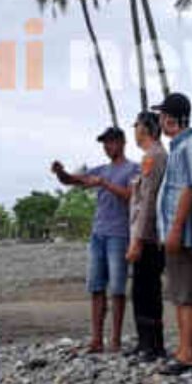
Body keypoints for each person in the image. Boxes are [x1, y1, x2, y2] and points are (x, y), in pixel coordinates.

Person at [49, 126, 138, 353]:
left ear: (122, 142)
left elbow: (132, 196)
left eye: (111, 142)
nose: (107, 147)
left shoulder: (133, 169)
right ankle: (97, 339)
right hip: (98, 234)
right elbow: (73, 180)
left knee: (117, 288)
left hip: (120, 234)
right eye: (104, 144)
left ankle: (115, 339)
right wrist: (60, 173)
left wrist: (104, 184)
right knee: (96, 287)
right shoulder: (101, 169)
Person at [152, 92, 192, 376]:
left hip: (184, 235)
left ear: (170, 119)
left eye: (162, 116)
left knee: (186, 294)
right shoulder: (180, 148)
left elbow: (190, 188)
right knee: (179, 293)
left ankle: (188, 354)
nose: (160, 121)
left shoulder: (188, 147)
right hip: (179, 235)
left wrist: (175, 229)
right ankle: (183, 350)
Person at [124, 111, 168, 362]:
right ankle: (145, 343)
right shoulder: (153, 156)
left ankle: (152, 345)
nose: (135, 131)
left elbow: (148, 201)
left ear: (145, 129)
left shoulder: (154, 156)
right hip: (148, 235)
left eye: (137, 126)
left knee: (146, 290)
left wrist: (137, 240)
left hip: (149, 237)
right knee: (142, 290)